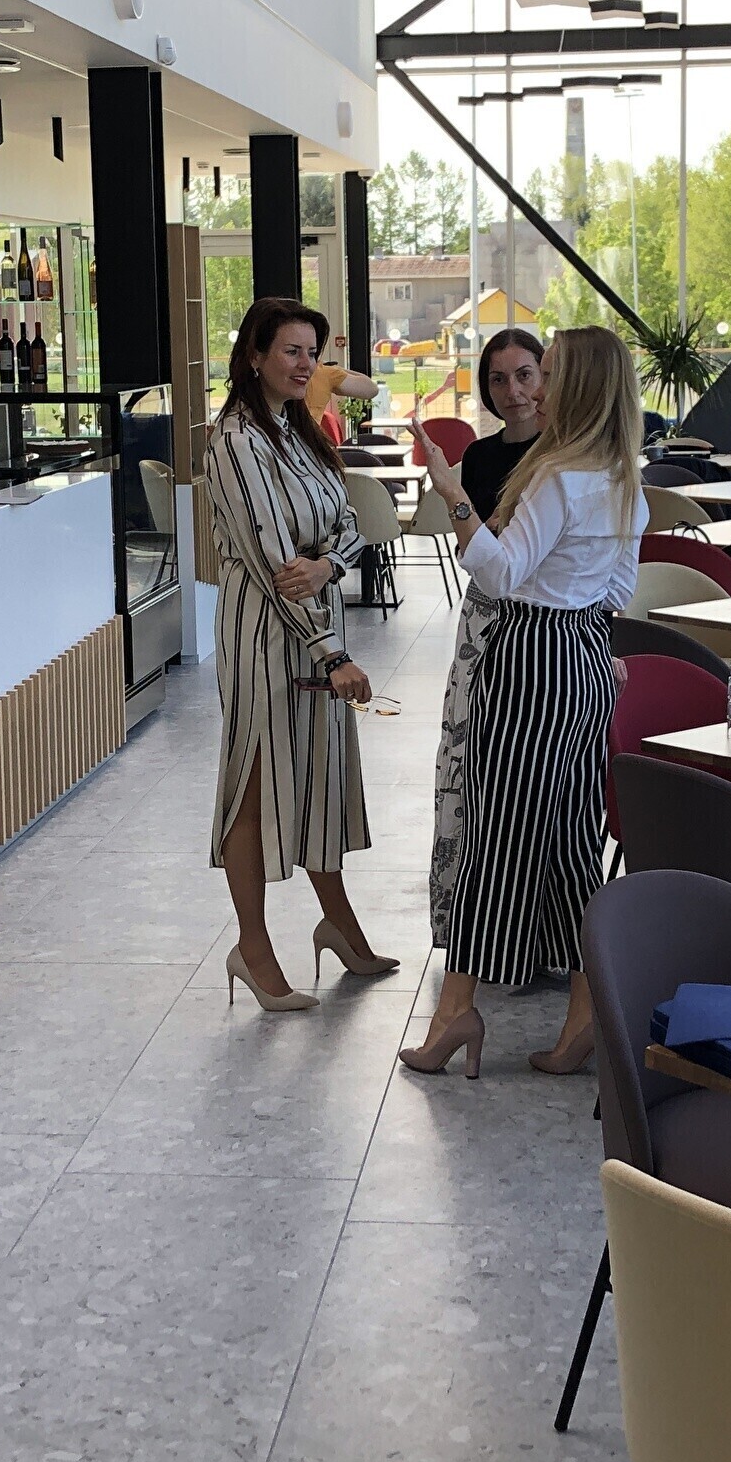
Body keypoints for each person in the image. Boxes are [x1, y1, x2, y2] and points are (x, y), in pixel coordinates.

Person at [412, 323, 648, 1078]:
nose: (536, 387)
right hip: (585, 658)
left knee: (496, 835)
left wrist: (453, 497)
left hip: (531, 657)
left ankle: (457, 1010)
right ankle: (586, 1009)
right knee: (574, 842)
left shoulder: (557, 477)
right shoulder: (622, 478)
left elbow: (500, 574)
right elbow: (617, 591)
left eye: (547, 372)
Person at [206, 296, 397, 1011]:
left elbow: (349, 525)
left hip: (313, 621)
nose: (305, 364)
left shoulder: (296, 429)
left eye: (311, 353)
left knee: (317, 776)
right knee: (255, 784)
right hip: (265, 635)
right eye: (290, 351)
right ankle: (252, 948)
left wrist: (328, 567)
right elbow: (269, 563)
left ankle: (339, 926)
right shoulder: (235, 442)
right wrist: (331, 655)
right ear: (254, 356)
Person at [458, 326, 545, 518]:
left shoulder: (562, 451)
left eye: (524, 375)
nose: (512, 391)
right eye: (498, 380)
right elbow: (467, 533)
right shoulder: (477, 456)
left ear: (544, 378)